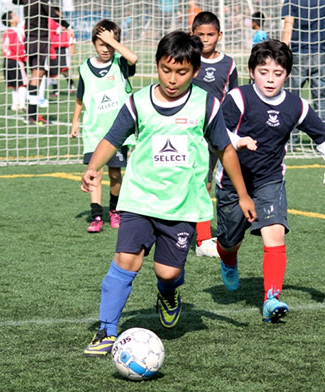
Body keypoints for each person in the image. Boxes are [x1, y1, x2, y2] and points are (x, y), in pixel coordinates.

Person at [82, 31, 256, 356]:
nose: (172, 79)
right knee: (126, 261)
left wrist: (243, 194)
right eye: (166, 69)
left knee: (168, 271)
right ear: (157, 65)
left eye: (182, 72)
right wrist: (93, 166)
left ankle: (169, 291)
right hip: (138, 199)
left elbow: (226, 150)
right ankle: (106, 331)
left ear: (195, 71)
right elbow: (112, 138)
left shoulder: (206, 104)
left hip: (182, 204)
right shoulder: (138, 102)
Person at [215, 39, 325, 323]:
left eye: (277, 73)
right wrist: (238, 141)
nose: (270, 79)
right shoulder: (238, 97)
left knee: (275, 233)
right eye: (263, 72)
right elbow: (215, 132)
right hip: (233, 183)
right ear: (251, 71)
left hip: (270, 180)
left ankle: (271, 298)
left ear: (287, 74)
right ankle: (228, 256)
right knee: (229, 239)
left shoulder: (297, 105)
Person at [70, 19, 138, 233]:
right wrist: (75, 123)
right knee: (95, 172)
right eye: (102, 43)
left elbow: (133, 57)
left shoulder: (121, 63)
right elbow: (80, 98)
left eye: (110, 44)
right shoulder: (85, 68)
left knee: (116, 174)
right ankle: (96, 215)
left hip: (118, 131)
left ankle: (115, 210)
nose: (106, 48)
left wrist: (112, 41)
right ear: (94, 43)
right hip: (94, 131)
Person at [190, 11, 239, 258]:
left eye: (211, 35)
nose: (206, 39)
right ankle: (201, 239)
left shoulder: (229, 64)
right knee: (200, 182)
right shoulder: (188, 59)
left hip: (217, 131)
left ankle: (203, 234)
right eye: (201, 35)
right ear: (192, 35)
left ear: (219, 35)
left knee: (214, 182)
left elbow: (236, 98)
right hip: (191, 130)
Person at [281, 0, 325, 147]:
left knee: (291, 100)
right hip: (319, 56)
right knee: (321, 100)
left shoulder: (292, 1)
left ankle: (291, 142)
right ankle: (323, 142)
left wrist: (282, 55)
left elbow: (288, 28)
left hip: (297, 55)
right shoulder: (324, 1)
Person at [13, 0, 72, 125]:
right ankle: (32, 116)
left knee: (36, 76)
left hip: (29, 40)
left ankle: (31, 114)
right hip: (41, 41)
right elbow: (53, 14)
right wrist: (68, 26)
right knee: (37, 76)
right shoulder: (40, 1)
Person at [2, 10, 28, 112]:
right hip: (16, 60)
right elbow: (17, 45)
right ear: (11, 21)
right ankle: (22, 104)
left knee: (15, 85)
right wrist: (25, 54)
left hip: (7, 60)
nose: (17, 16)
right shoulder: (14, 32)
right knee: (22, 83)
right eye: (14, 15)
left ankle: (14, 104)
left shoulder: (9, 31)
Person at [47, 7, 76, 98]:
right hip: (52, 49)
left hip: (63, 49)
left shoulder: (65, 25)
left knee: (64, 70)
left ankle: (71, 83)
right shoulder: (50, 23)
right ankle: (55, 90)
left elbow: (71, 36)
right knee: (53, 71)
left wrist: (72, 46)